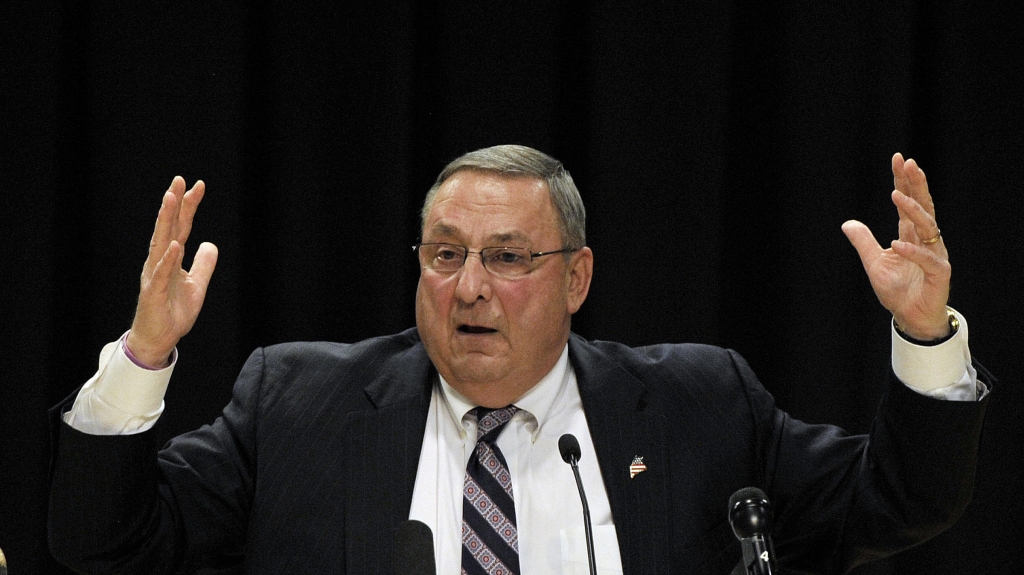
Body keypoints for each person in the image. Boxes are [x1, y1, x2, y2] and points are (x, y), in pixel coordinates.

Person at [48, 145, 990, 574]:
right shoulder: (298, 403)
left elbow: (899, 501)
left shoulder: (699, 400)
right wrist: (144, 353)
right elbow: (104, 545)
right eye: (446, 254)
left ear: (577, 278)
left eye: (507, 259)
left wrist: (924, 334)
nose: (468, 288)